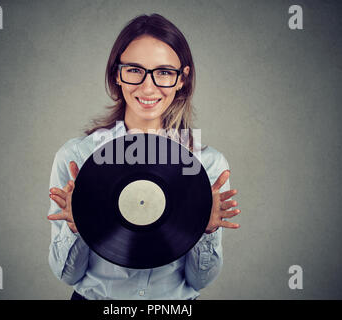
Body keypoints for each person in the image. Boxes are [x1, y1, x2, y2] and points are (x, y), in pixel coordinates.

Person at [47, 13, 241, 300]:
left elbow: (199, 282)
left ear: (182, 80)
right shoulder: (77, 158)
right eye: (134, 70)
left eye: (163, 72)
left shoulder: (207, 166)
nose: (148, 87)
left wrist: (206, 231)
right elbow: (68, 276)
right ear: (117, 73)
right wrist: (76, 230)